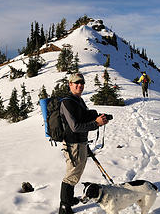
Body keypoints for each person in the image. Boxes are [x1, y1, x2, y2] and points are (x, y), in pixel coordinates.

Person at [58, 73, 109, 214]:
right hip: (73, 145)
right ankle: (64, 207)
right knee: (71, 176)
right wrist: (95, 124)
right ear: (70, 84)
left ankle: (68, 199)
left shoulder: (78, 100)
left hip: (80, 143)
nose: (80, 85)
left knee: (75, 175)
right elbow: (75, 127)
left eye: (82, 83)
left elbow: (83, 119)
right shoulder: (67, 102)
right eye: (76, 83)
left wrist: (97, 118)